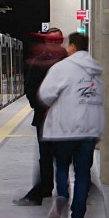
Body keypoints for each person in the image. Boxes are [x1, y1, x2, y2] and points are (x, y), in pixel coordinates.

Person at [38, 32, 104, 218]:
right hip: (89, 129)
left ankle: (62, 196)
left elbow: (46, 94)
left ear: (73, 46)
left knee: (62, 165)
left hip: (64, 128)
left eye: (68, 45)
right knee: (83, 172)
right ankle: (78, 215)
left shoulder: (62, 68)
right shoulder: (96, 71)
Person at [13, 29, 68, 206]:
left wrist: (40, 107)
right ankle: (58, 189)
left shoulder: (39, 62)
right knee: (58, 154)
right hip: (59, 118)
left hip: (48, 117)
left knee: (46, 155)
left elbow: (30, 88)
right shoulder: (68, 63)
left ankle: (45, 189)